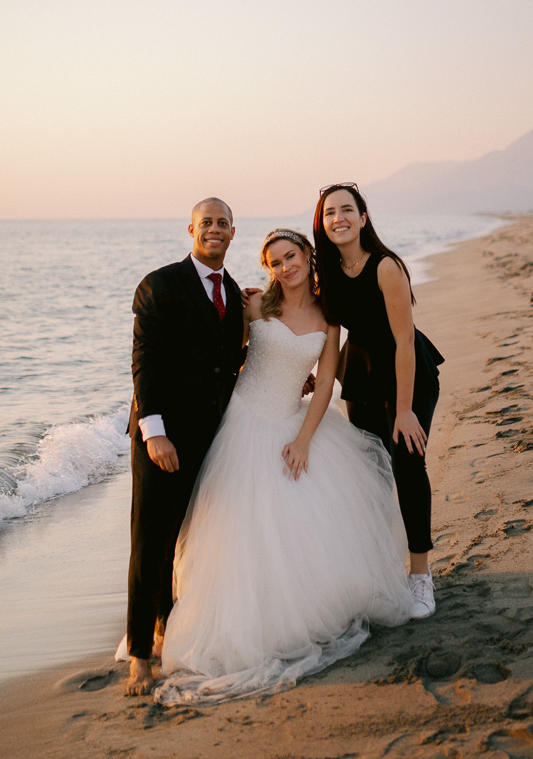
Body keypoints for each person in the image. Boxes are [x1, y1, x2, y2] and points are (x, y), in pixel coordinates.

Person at [154, 229, 413, 707]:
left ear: (308, 257)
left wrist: (303, 440)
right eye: (274, 261)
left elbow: (324, 386)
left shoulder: (330, 318)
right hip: (242, 423)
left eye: (291, 257)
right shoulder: (256, 308)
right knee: (235, 527)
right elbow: (221, 357)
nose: (284, 267)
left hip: (293, 427)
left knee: (295, 524)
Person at [120, 197, 244, 695]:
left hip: (209, 437)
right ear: (191, 229)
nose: (214, 230)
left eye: (223, 224)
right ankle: (138, 656)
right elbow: (143, 361)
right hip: (162, 436)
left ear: (234, 233)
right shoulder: (160, 284)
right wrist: (154, 433)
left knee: (184, 539)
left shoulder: (233, 293)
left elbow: (227, 364)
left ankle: (166, 626)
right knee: (149, 541)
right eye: (206, 223)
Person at [313, 183, 444, 619]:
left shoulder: (386, 267)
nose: (339, 218)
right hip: (362, 377)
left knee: (408, 463)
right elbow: (315, 324)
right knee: (371, 471)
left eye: (347, 210)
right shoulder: (327, 272)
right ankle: (379, 569)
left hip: (406, 373)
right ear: (323, 223)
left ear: (363, 218)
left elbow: (404, 340)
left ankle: (420, 575)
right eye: (330, 213)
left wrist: (404, 410)